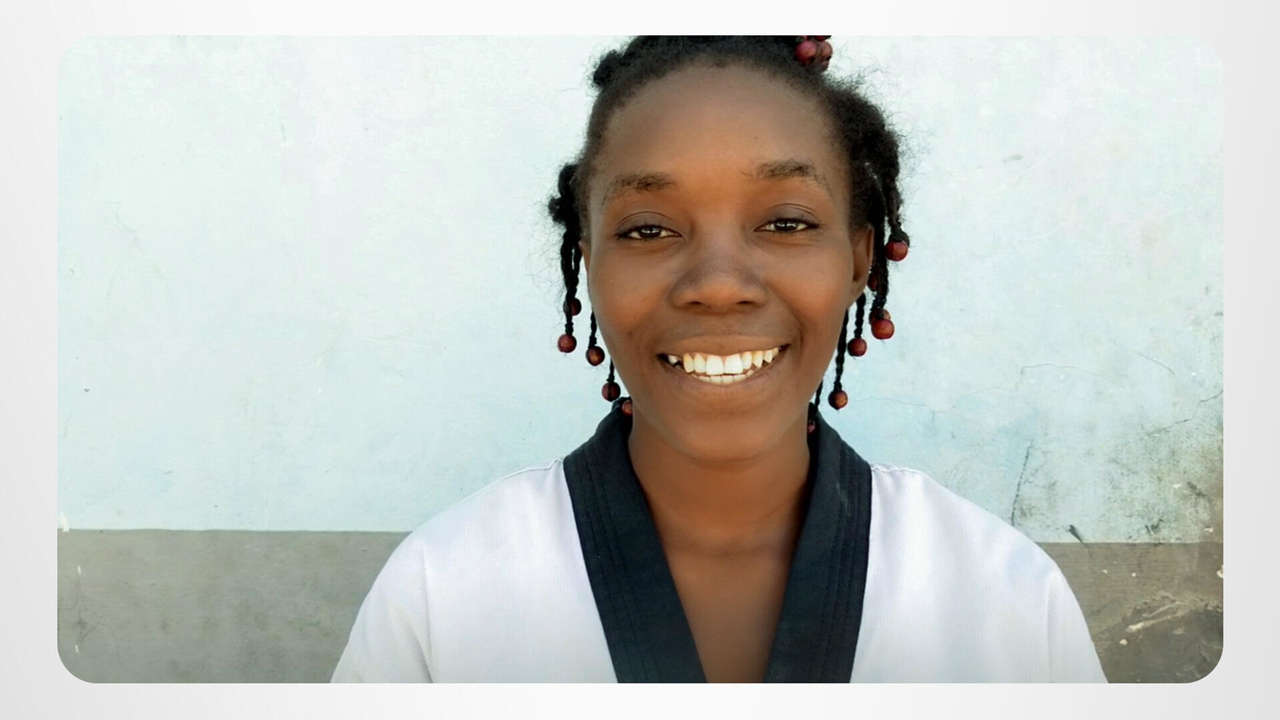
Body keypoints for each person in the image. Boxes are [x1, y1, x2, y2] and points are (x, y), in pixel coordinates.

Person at [331, 35, 1106, 683]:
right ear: (590, 265)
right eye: (648, 230)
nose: (718, 284)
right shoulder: (442, 596)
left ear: (858, 260)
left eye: (786, 222)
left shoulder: (1005, 601)